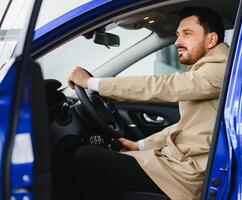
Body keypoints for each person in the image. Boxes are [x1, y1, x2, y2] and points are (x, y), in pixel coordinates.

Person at [67, 7, 229, 200]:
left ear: (211, 39)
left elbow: (161, 87)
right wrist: (139, 146)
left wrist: (90, 83)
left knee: (85, 158)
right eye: (178, 35)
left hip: (186, 175)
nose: (177, 41)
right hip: (177, 166)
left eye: (187, 33)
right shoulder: (210, 71)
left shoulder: (221, 70)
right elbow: (186, 127)